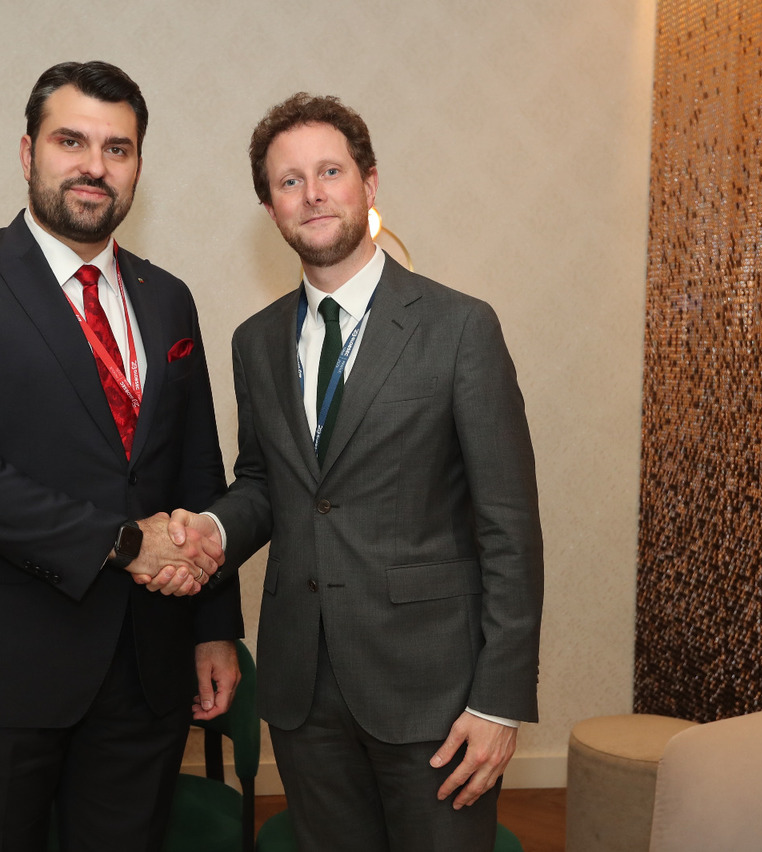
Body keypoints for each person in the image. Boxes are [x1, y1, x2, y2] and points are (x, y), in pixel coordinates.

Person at [163, 93, 543, 851]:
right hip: (303, 690)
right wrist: (208, 529)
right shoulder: (255, 341)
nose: (312, 193)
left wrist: (499, 702)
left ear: (369, 182)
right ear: (270, 208)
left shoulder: (460, 327)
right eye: (289, 181)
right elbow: (266, 483)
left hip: (435, 692)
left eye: (330, 171)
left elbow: (509, 526)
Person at [0, 60, 243, 852]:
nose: (94, 165)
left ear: (138, 166)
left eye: (118, 148)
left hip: (146, 663)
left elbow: (196, 466)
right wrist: (124, 542)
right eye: (70, 141)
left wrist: (214, 628)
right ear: (28, 152)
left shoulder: (168, 296)